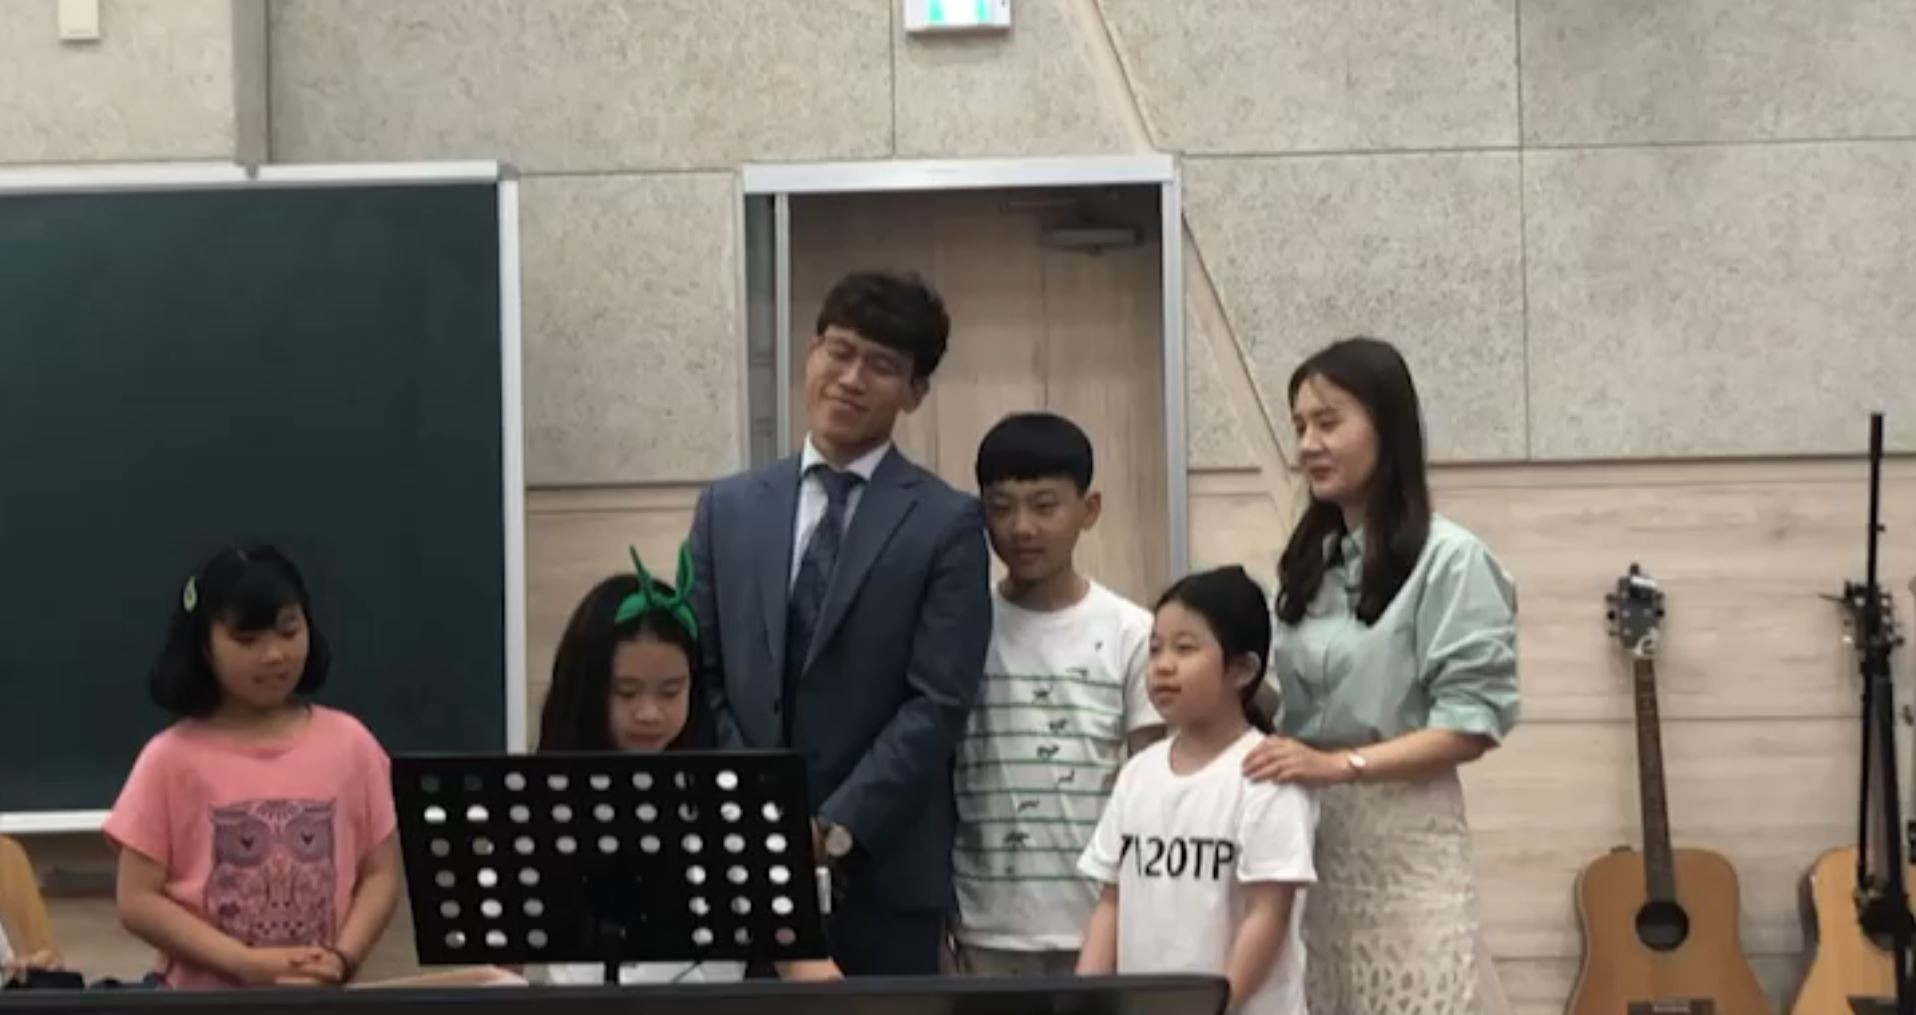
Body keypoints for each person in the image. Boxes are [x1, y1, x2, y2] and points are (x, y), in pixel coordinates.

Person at [688, 269, 992, 975]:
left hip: (883, 872)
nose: (851, 378)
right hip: (742, 861)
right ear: (811, 353)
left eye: (881, 365)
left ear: (915, 390)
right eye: (839, 351)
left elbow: (938, 700)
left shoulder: (947, 523)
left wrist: (834, 826)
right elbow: (702, 673)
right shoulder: (727, 508)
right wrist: (761, 812)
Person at [1243, 336, 1519, 1013]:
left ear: (1386, 427)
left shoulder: (1451, 559)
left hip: (1405, 845)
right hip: (1308, 842)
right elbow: (1295, 708)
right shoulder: (1311, 559)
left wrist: (1339, 765)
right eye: (1300, 426)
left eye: (1328, 422)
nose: (1308, 444)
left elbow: (1470, 724)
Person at [532, 545, 839, 985]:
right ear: (587, 690)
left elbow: (801, 960)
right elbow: (497, 973)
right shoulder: (540, 804)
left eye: (671, 691)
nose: (650, 713)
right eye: (627, 691)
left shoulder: (735, 809)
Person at [105, 545, 401, 988]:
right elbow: (137, 900)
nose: (274, 655)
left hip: (322, 998)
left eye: (288, 631)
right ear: (204, 647)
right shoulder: (170, 759)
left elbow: (381, 872)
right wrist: (242, 962)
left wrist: (342, 958)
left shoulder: (351, 744)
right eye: (247, 641)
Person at [951, 412, 1161, 976]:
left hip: (1100, 919)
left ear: (1089, 510)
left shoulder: (1132, 632)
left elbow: (1148, 783)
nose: (1021, 527)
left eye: (1045, 506)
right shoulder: (962, 626)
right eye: (1001, 508)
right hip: (983, 918)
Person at [1077, 566, 1316, 1015]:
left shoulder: (1266, 773)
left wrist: (1216, 1005)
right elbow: (1111, 902)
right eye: (1155, 649)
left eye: (1185, 648)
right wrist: (1081, 1001)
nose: (1163, 665)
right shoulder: (1138, 774)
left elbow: (1267, 914)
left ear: (1242, 669)